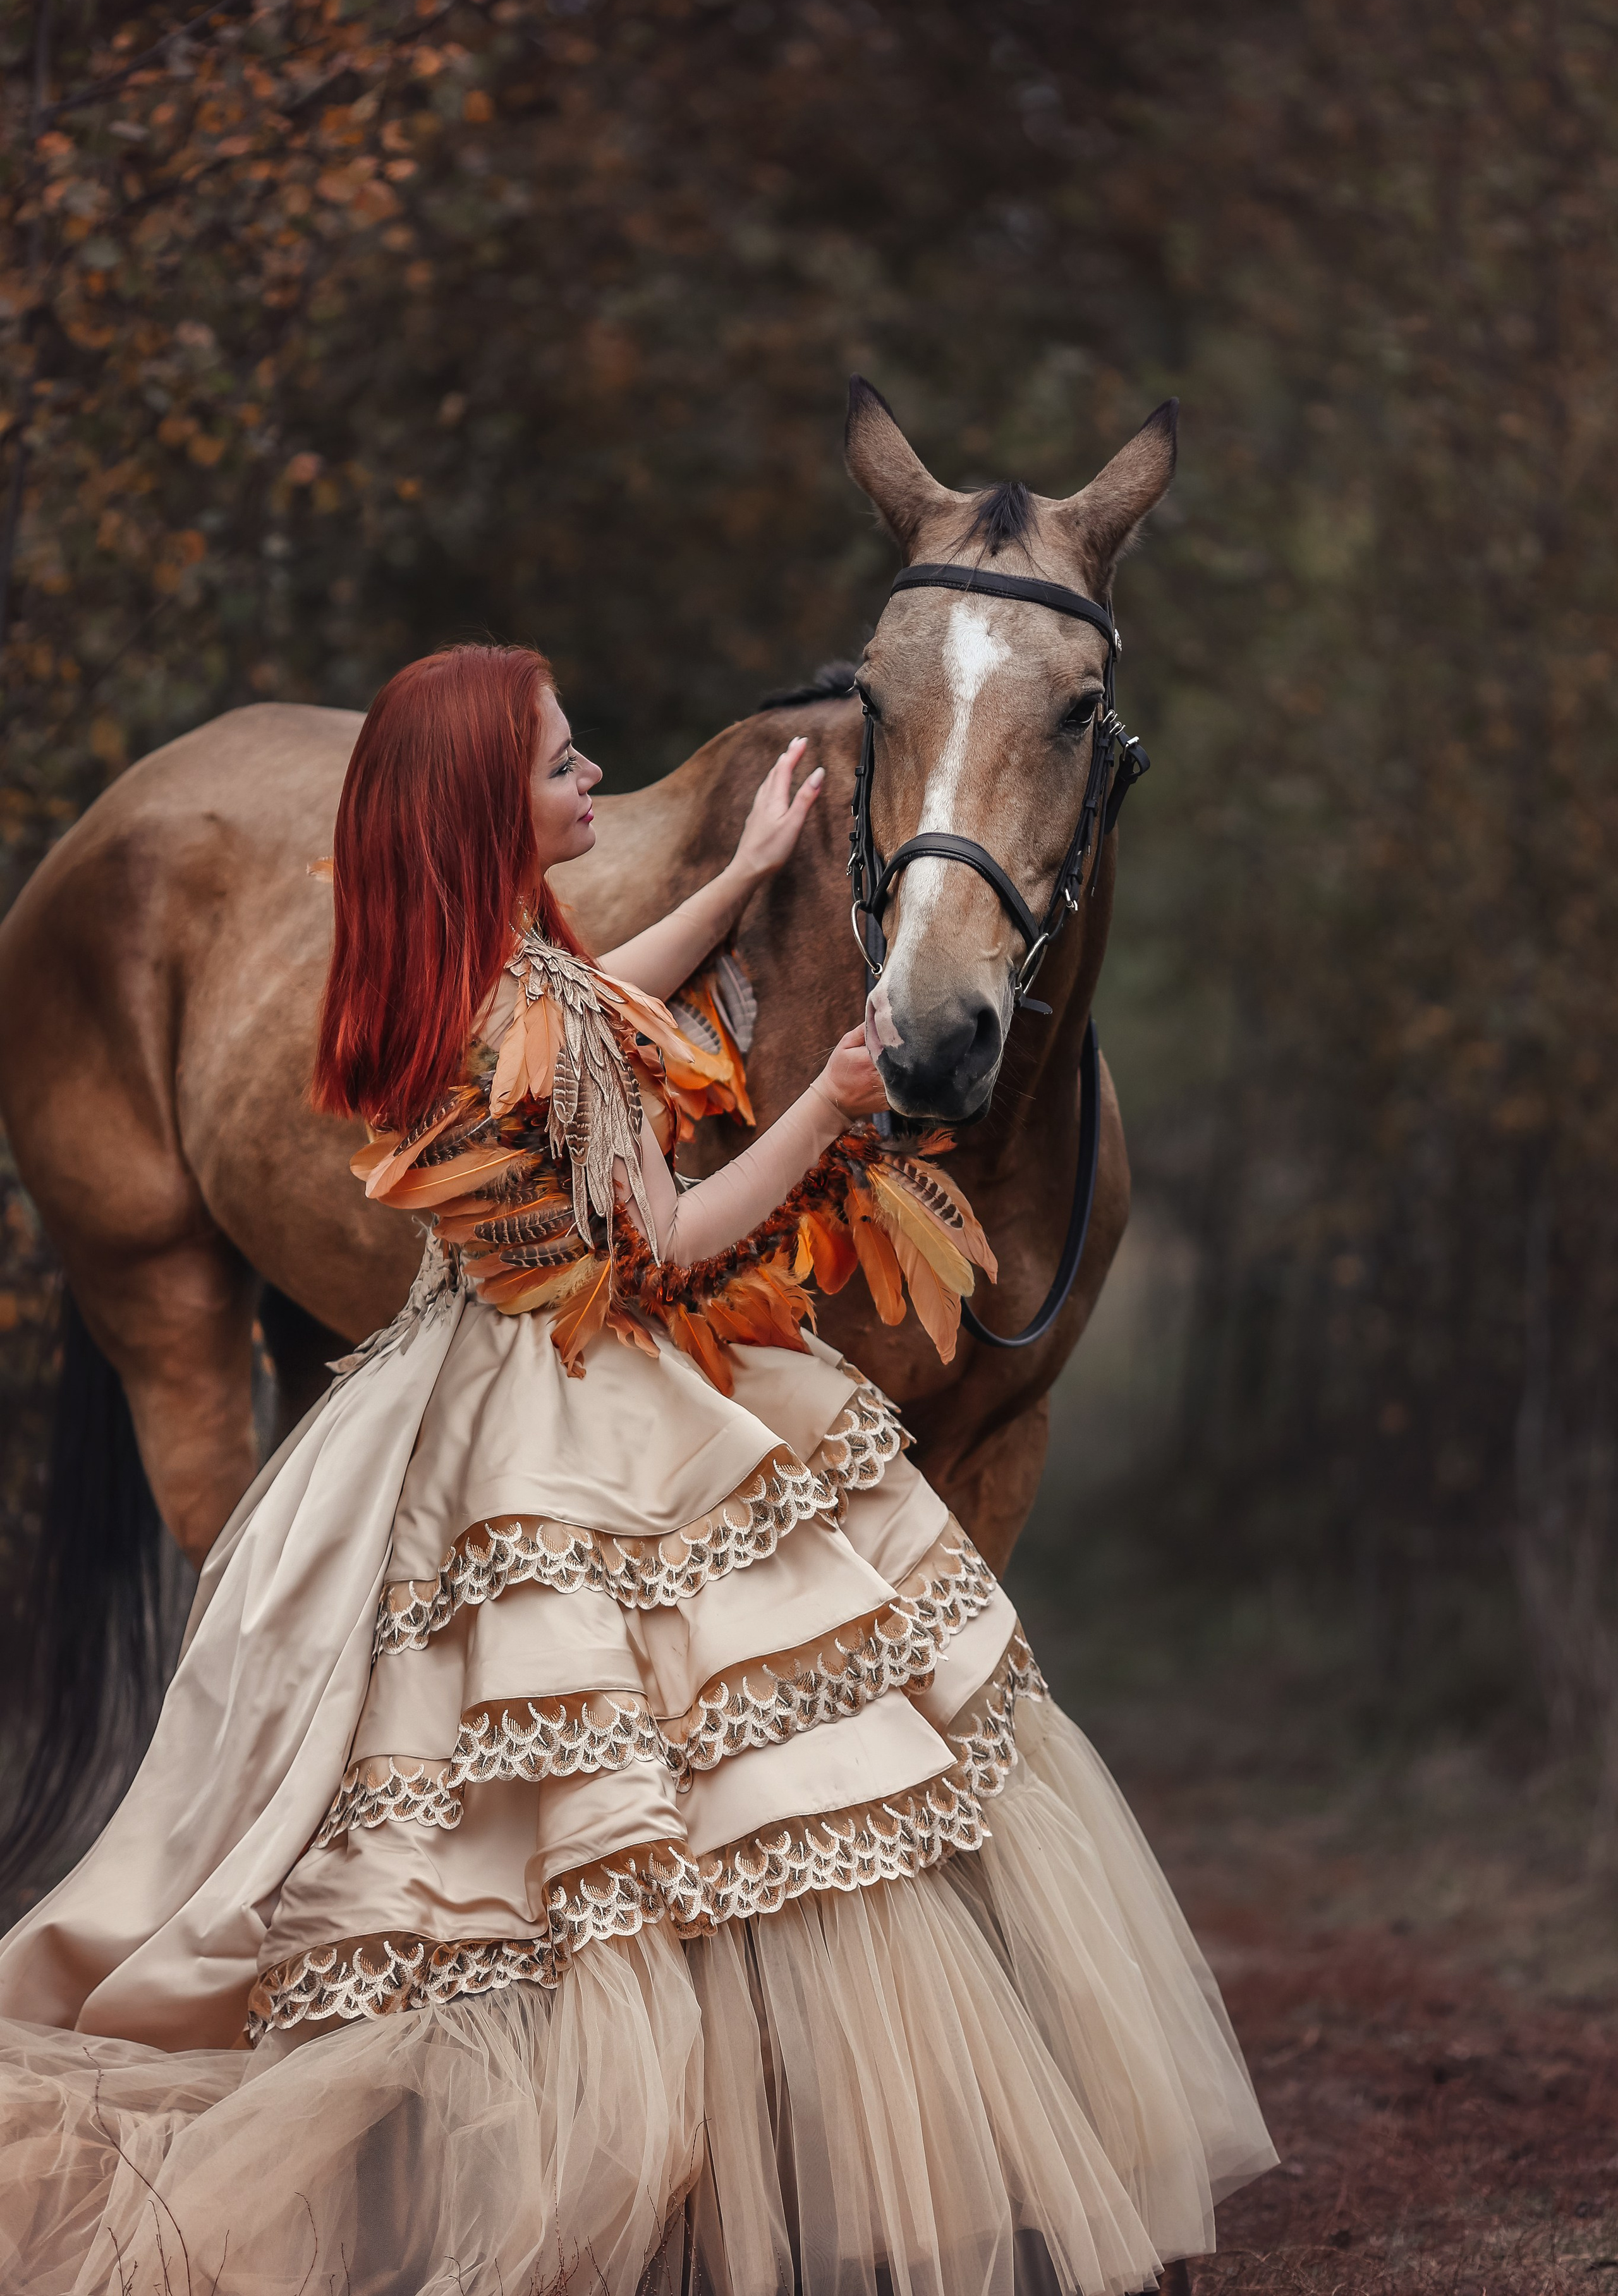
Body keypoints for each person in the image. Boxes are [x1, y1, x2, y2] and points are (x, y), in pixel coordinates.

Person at [0, 644, 1274, 2296]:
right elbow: (664, 1237)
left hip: (461, 1370)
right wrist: (820, 1102)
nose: (598, 778)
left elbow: (597, 1008)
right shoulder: (512, 1010)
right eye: (562, 765)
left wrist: (741, 875)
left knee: (518, 1816)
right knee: (672, 1778)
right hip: (558, 1404)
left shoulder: (485, 970)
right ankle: (618, 2165)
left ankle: (642, 2125)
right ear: (488, 816)